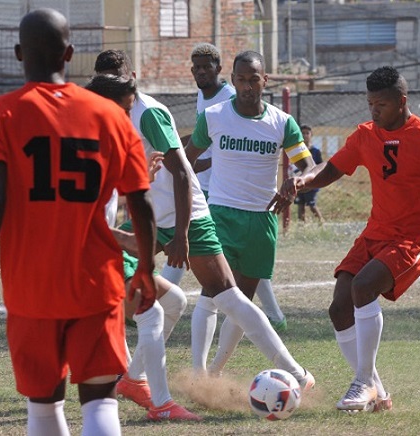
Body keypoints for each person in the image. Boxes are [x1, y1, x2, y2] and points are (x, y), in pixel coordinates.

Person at [0, 10, 158, 436]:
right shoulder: (109, 116)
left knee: (45, 407)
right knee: (101, 400)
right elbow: (140, 200)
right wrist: (146, 268)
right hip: (96, 282)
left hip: (31, 286)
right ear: (70, 53)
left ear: (18, 54)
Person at [271, 66, 420, 413]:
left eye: (380, 104)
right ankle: (378, 393)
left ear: (401, 101)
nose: (373, 110)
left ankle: (363, 381)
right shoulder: (366, 135)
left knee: (364, 288)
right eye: (369, 103)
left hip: (414, 239)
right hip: (375, 234)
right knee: (339, 308)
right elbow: (333, 168)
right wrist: (303, 181)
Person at [94, 49, 315, 392]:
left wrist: (181, 234)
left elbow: (182, 170)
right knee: (166, 300)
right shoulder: (112, 116)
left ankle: (294, 374)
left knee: (225, 296)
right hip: (153, 215)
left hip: (189, 215)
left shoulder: (148, 113)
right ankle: (136, 378)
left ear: (130, 80)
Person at [184, 50, 317, 377]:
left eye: (253, 79)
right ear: (233, 81)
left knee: (241, 301)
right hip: (220, 216)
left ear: (265, 80)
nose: (247, 86)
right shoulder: (213, 116)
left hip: (261, 220)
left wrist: (296, 180)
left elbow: (309, 166)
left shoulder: (282, 122)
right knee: (212, 293)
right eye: (241, 80)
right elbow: (186, 161)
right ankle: (199, 373)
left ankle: (215, 372)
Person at [85, 73, 201, 421]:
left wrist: (141, 180)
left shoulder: (104, 138)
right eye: (126, 107)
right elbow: (83, 215)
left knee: (174, 301)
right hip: (91, 250)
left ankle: (133, 380)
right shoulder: (88, 142)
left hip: (103, 246)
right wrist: (125, 240)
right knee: (151, 312)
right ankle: (162, 404)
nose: (130, 115)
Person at [163, 42, 289, 333]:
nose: (201, 71)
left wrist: (195, 165)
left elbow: (226, 150)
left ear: (221, 71)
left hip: (223, 194)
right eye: (196, 67)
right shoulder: (205, 98)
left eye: (207, 67)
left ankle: (160, 298)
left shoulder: (232, 98)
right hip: (205, 192)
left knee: (225, 268)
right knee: (221, 267)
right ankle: (273, 315)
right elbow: (202, 139)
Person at [292, 124, 324, 223]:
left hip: (311, 183)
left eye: (307, 133)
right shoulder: (296, 151)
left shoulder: (315, 151)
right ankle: (302, 225)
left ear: (311, 135)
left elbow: (319, 166)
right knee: (300, 205)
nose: (305, 135)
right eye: (303, 133)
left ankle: (321, 222)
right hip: (299, 181)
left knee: (312, 205)